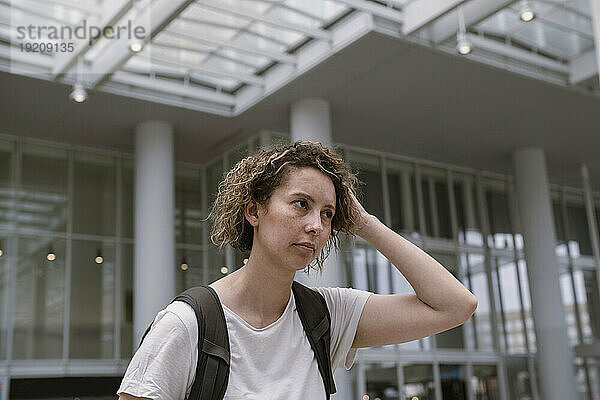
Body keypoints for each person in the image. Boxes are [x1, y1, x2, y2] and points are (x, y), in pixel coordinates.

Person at [117, 141, 477, 400]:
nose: (317, 226)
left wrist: (365, 223)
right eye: (301, 205)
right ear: (254, 211)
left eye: (328, 214)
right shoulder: (187, 325)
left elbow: (456, 306)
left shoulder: (325, 316)